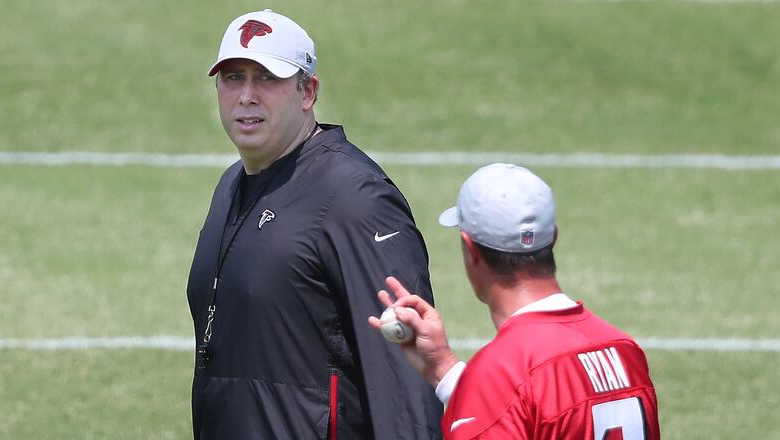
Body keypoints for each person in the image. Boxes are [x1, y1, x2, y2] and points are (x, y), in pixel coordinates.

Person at [186, 9, 442, 439]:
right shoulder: (231, 185)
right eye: (233, 78)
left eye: (267, 79)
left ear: (308, 92)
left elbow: (403, 377)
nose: (246, 95)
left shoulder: (354, 198)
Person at [369, 163, 660, 439]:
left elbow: (515, 397)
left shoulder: (502, 372)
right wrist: (444, 368)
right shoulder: (625, 351)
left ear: (471, 251)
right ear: (553, 238)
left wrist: (480, 385)